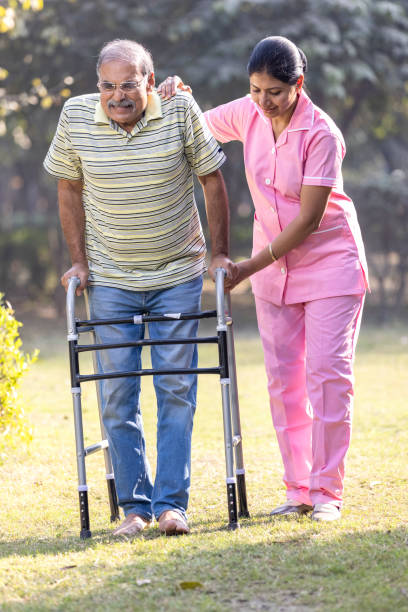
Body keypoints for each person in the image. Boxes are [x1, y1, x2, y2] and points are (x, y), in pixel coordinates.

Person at [159, 36, 369, 522]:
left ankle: (326, 494)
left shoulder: (323, 134)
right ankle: (298, 490)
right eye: (255, 90)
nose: (263, 101)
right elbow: (193, 125)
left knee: (327, 377)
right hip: (273, 274)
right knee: (284, 383)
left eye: (274, 91)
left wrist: (247, 267)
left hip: (330, 264)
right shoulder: (249, 112)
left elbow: (310, 220)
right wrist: (173, 94)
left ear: (299, 85)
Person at [43, 39, 233, 536]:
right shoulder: (76, 116)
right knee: (115, 394)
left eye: (129, 84)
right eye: (107, 85)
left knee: (175, 389)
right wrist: (79, 262)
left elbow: (212, 178)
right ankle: (135, 508)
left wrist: (218, 253)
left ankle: (172, 505)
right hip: (110, 279)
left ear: (150, 81)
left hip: (177, 274)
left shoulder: (178, 108)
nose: (117, 95)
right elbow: (68, 186)